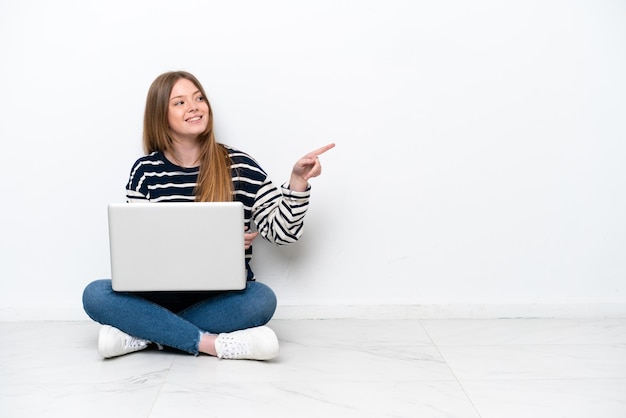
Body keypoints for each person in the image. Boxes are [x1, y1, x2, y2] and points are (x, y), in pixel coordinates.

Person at [82, 70, 334, 361]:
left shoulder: (241, 166)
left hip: (220, 298)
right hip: (157, 297)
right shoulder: (145, 171)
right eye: (179, 102)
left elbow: (284, 233)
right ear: (160, 116)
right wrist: (213, 245)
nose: (194, 106)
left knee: (262, 300)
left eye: (199, 98)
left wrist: (298, 182)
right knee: (95, 294)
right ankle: (211, 344)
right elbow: (138, 251)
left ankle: (144, 333)